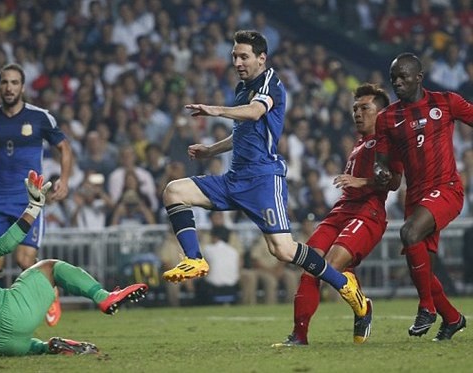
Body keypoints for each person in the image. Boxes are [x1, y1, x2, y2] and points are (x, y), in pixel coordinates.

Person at [160, 30, 368, 323]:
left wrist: (215, 110)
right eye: (234, 56)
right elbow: (242, 132)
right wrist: (210, 151)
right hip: (234, 179)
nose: (237, 62)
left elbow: (255, 113)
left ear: (261, 57)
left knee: (282, 249)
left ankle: (346, 285)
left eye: (244, 56)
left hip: (262, 180)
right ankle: (194, 259)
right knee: (174, 191)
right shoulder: (242, 87)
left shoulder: (271, 83)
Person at [0, 170, 148, 357]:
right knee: (51, 267)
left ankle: (48, 347)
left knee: (27, 346)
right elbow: (2, 246)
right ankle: (104, 297)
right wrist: (33, 207)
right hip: (10, 313)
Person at [275, 83, 402, 347]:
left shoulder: (387, 142)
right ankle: (299, 336)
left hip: (368, 213)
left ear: (381, 112)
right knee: (309, 266)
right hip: (342, 210)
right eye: (355, 108)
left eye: (365, 108)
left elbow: (394, 181)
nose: (357, 113)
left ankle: (363, 308)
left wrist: (362, 182)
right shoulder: (359, 142)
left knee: (330, 267)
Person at [0, 63, 73, 327]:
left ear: (22, 86)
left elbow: (64, 148)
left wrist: (63, 180)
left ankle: (51, 292)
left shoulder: (41, 117)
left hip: (27, 200)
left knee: (24, 260)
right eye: (4, 82)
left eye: (14, 83)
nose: (9, 88)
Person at [374, 52, 471, 341]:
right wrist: (381, 172)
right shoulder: (387, 118)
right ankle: (453, 319)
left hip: (447, 188)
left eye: (403, 76)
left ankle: (426, 308)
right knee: (423, 270)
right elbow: (384, 163)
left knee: (409, 232)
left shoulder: (446, 102)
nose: (397, 82)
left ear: (419, 76)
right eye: (394, 78)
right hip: (415, 197)